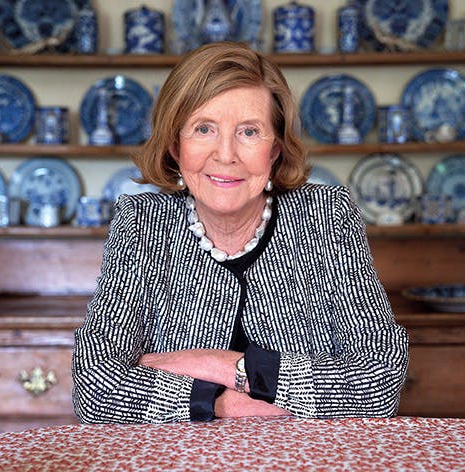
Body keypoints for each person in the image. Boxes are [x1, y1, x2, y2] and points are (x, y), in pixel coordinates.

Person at [72, 42, 409, 424]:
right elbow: (95, 389)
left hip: (305, 455)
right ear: (175, 146)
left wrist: (221, 365)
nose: (226, 154)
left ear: (275, 149)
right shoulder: (142, 222)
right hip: (181, 456)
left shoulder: (327, 216)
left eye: (249, 131)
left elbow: (379, 380)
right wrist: (225, 404)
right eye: (203, 129)